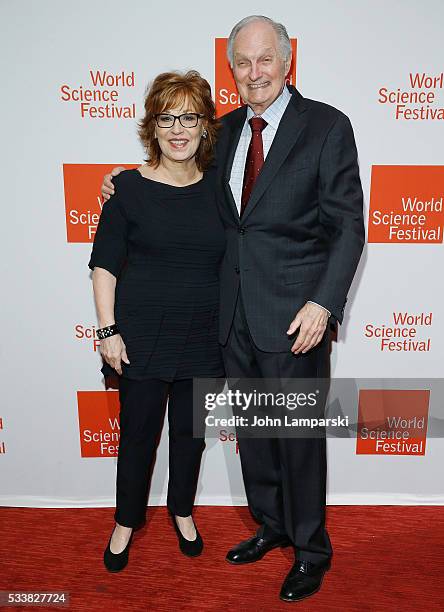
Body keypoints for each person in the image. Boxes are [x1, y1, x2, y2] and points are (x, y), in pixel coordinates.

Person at [102, 15, 364, 602]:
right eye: (241, 63)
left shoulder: (327, 126)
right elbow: (179, 182)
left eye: (264, 59)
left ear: (287, 60)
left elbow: (348, 226)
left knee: (296, 438)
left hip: (297, 317)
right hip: (231, 319)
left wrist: (323, 302)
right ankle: (270, 527)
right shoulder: (221, 132)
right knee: (254, 435)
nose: (254, 72)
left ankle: (310, 548)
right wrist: (118, 184)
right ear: (232, 72)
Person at [89, 70, 225, 572]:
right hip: (140, 340)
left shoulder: (221, 190)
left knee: (190, 437)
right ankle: (126, 519)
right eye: (166, 117)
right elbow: (104, 265)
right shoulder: (126, 188)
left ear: (205, 126)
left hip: (206, 339)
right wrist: (107, 330)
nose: (177, 128)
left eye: (189, 117)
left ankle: (182, 510)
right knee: (138, 438)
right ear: (152, 126)